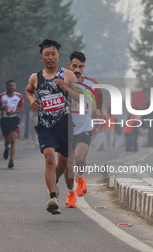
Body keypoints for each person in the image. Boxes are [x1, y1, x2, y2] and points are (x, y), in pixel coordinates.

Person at [25, 39, 81, 215]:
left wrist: (66, 88)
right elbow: (28, 91)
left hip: (64, 125)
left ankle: (54, 180)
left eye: (53, 54)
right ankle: (53, 197)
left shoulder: (68, 75)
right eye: (46, 54)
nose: (50, 57)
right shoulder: (35, 77)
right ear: (41, 57)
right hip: (45, 125)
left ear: (59, 56)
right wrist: (32, 101)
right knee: (49, 158)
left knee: (62, 163)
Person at [56, 51, 102, 208]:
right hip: (67, 130)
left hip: (84, 129)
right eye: (74, 66)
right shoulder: (62, 83)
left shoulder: (90, 83)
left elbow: (99, 96)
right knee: (69, 165)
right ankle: (71, 193)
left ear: (84, 68)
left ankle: (81, 178)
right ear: (69, 66)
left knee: (80, 157)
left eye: (80, 67)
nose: (77, 69)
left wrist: (97, 109)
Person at [0, 80, 24, 168]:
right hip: (4, 120)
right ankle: (6, 148)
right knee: (7, 140)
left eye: (13, 86)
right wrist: (2, 108)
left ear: (15, 87)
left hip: (14, 119)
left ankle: (11, 160)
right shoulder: (1, 96)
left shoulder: (19, 96)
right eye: (9, 86)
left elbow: (21, 108)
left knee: (13, 139)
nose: (11, 87)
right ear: (6, 87)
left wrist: (14, 113)